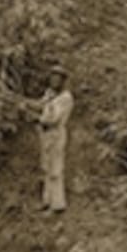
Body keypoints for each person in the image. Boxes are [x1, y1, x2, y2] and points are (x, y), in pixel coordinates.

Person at [36, 67, 74, 213]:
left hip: (56, 134)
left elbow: (53, 119)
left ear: (63, 81)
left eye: (58, 79)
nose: (54, 81)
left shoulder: (65, 98)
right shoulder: (49, 94)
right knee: (46, 167)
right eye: (52, 78)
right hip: (45, 134)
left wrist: (37, 118)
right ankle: (47, 200)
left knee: (55, 169)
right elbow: (40, 105)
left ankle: (57, 205)